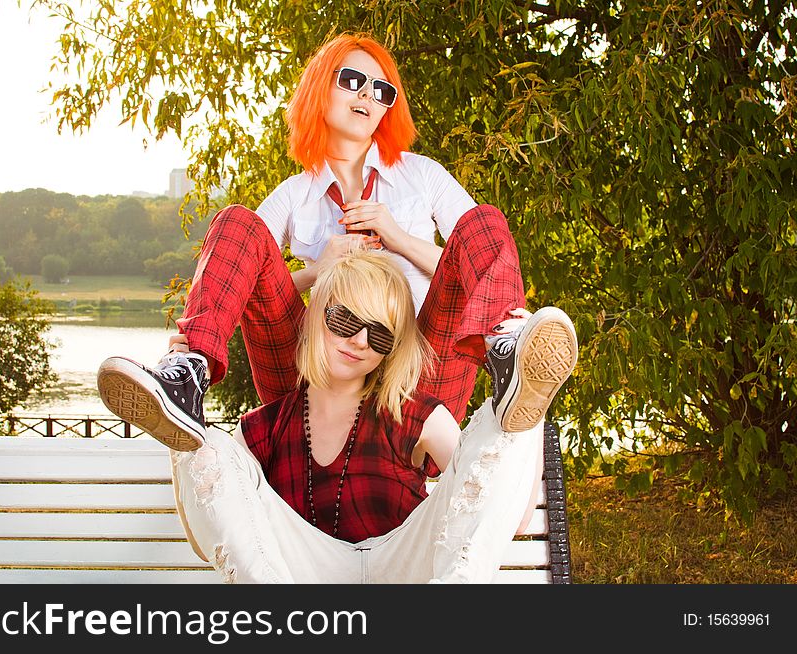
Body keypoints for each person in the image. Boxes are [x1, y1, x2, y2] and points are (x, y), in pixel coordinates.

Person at [96, 33, 578, 451]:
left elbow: (479, 263)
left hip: (417, 372)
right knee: (236, 222)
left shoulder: (423, 176)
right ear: (320, 88)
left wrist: (400, 239)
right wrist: (313, 272)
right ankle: (187, 376)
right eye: (353, 81)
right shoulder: (295, 194)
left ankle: (510, 356)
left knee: (484, 223)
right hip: (315, 377)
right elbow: (242, 277)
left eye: (382, 90)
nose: (368, 95)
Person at [168, 249, 556, 583]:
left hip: (405, 574)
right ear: (317, 314)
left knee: (494, 433)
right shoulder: (261, 429)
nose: (359, 341)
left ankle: (514, 382)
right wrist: (185, 446)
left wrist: (525, 422)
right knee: (212, 447)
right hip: (299, 581)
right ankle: (183, 397)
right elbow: (211, 538)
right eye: (345, 320)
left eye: (380, 334)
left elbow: (504, 516)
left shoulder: (416, 416)